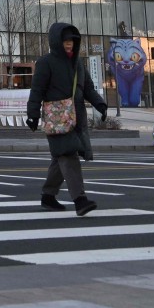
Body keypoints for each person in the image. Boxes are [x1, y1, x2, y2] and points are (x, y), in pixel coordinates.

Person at [26, 22, 108, 216]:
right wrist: (32, 115)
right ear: (56, 41)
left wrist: (100, 104)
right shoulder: (46, 62)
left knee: (61, 155)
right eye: (65, 40)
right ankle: (80, 200)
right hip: (57, 118)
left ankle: (48, 196)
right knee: (68, 154)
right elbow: (37, 90)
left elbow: (87, 88)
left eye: (72, 40)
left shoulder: (77, 63)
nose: (69, 43)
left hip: (76, 117)